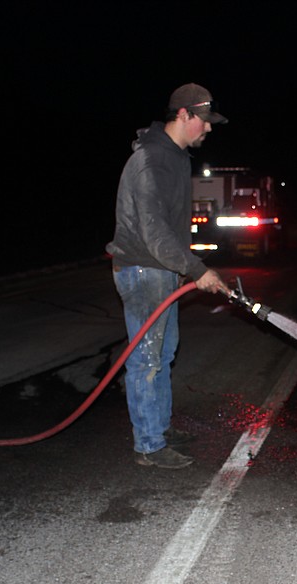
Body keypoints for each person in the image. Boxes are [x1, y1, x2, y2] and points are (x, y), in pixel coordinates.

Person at [107, 82, 232, 469]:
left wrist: (181, 269)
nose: (209, 128)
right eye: (204, 121)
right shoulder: (151, 160)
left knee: (163, 353)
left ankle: (158, 427)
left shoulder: (177, 158)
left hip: (162, 271)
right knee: (146, 359)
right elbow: (153, 230)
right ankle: (148, 444)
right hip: (143, 269)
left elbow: (173, 228)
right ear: (184, 115)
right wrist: (197, 270)